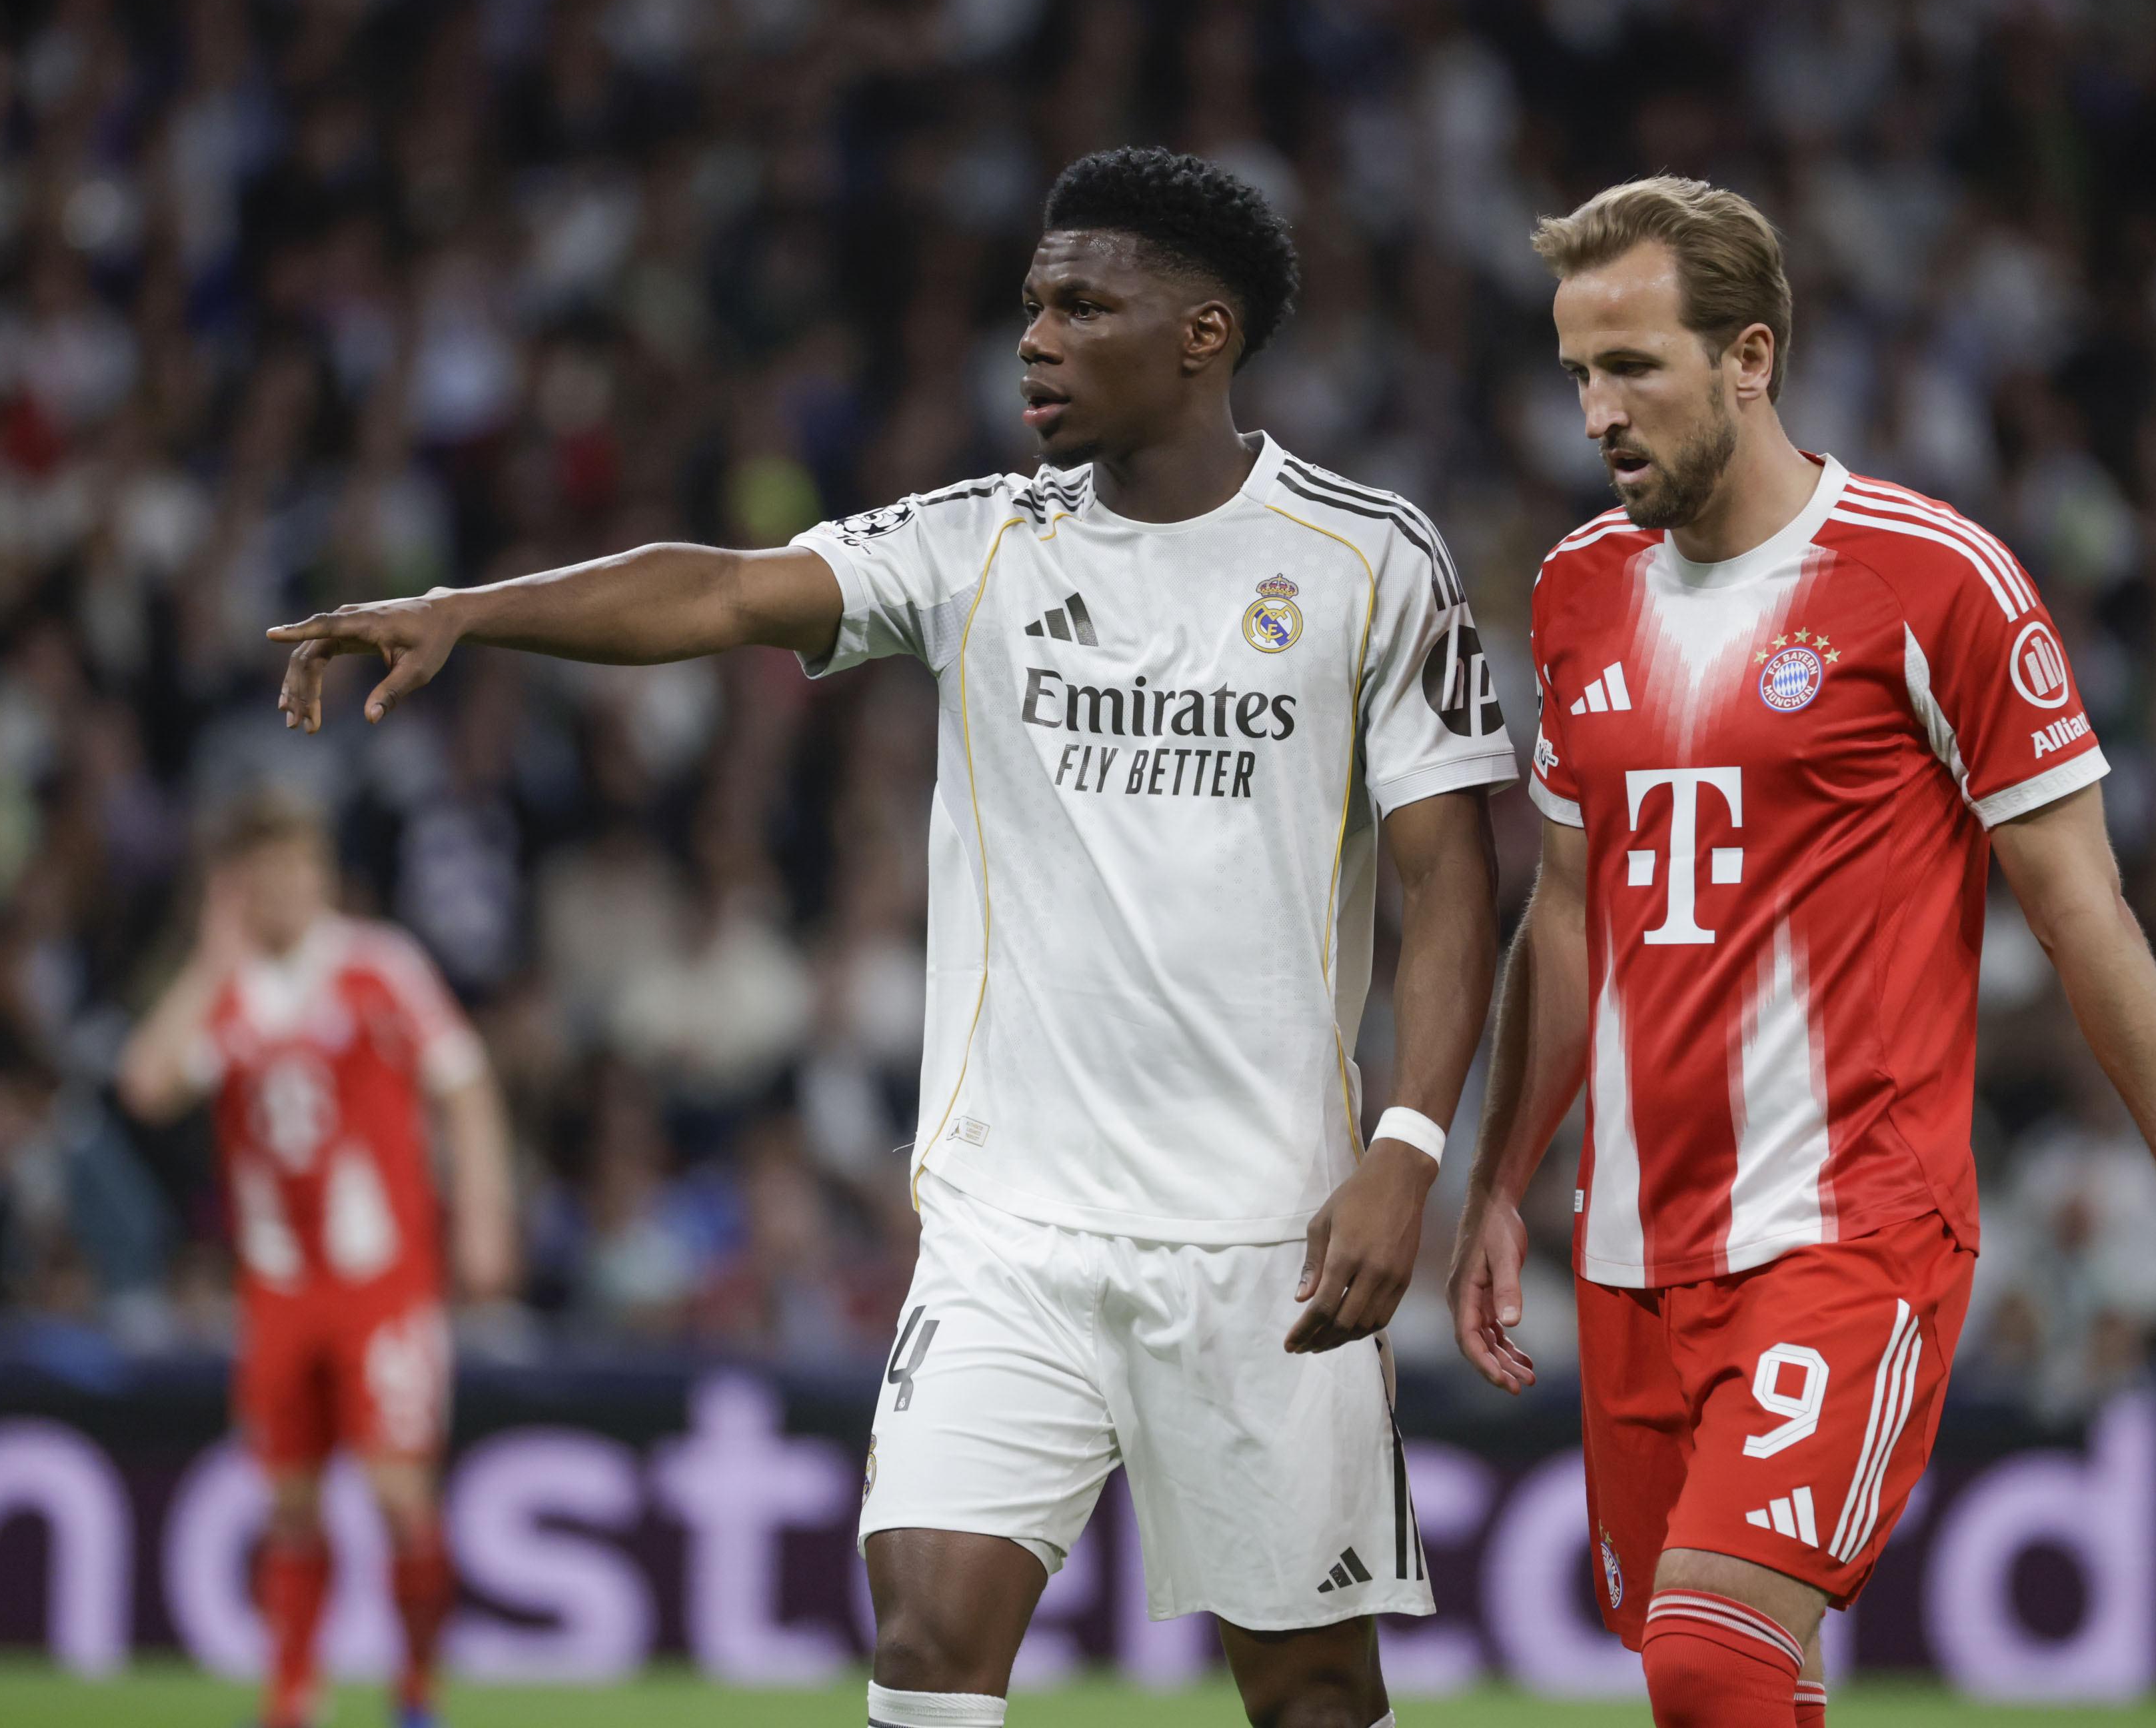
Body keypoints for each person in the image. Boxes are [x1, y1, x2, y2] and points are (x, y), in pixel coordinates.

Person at [267, 148, 1512, 1728]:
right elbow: (719, 591)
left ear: (1204, 334)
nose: (1035, 340)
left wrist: (1408, 1145)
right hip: (1010, 1229)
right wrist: (469, 603)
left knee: (1315, 1691)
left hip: (1272, 1236)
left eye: (1081, 305)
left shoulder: (1366, 557)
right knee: (926, 1639)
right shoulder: (983, 536)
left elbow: (1449, 874)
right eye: (1030, 305)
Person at [1447, 177, 2156, 1728]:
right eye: (1578, 369)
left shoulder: (1931, 580)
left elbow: (2083, 910)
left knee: (1712, 1656)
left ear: (1751, 357)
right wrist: (1502, 1174)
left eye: (1633, 365)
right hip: (1638, 1241)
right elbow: (1566, 909)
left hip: (1853, 1225)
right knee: (1733, 1676)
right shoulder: (1580, 590)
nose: (1595, 411)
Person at [118, 789, 515, 1728]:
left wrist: (487, 1214)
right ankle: (291, 1696)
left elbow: (463, 1083)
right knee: (290, 1504)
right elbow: (145, 1085)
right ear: (239, 891)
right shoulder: (229, 989)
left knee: (395, 1491)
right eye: (263, 879)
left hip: (384, 1283)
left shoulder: (380, 966)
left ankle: (417, 1686)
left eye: (298, 871)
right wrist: (208, 961)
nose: (284, 893)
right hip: (278, 1289)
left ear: (324, 877)